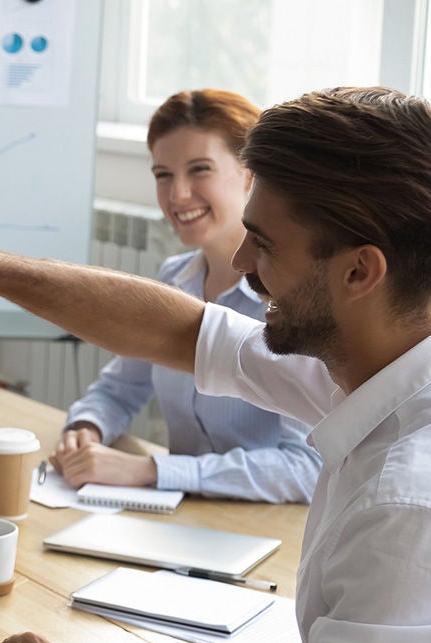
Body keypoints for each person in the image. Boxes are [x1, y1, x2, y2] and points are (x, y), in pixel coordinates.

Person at [0, 87, 431, 643]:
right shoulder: (387, 364)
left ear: (359, 271)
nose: (242, 265)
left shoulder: (409, 504)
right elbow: (183, 333)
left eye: (263, 244)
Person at [54, 89, 318, 503]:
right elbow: (120, 388)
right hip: (180, 519)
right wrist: (85, 429)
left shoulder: (291, 303)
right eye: (163, 174)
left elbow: (305, 468)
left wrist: (150, 469)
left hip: (263, 531)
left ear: (251, 175)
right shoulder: (172, 279)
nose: (177, 195)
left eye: (199, 170)